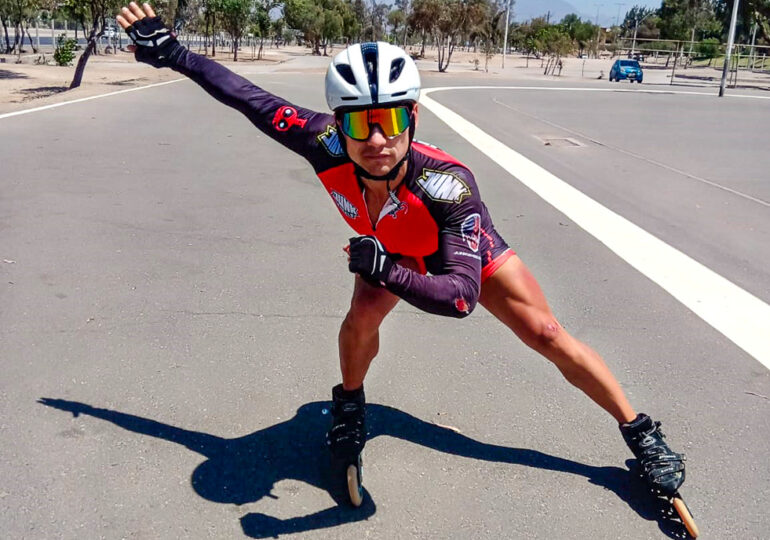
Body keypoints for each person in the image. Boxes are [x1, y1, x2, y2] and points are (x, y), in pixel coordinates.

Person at [116, 3, 687, 500]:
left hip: (457, 253)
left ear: (412, 116)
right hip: (389, 250)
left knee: (547, 334)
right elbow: (247, 97)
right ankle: (349, 407)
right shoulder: (321, 142)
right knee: (360, 318)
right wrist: (174, 54)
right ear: (339, 124)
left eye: (390, 120)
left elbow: (460, 298)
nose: (377, 140)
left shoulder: (449, 186)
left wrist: (385, 269)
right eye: (359, 124)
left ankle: (639, 431)